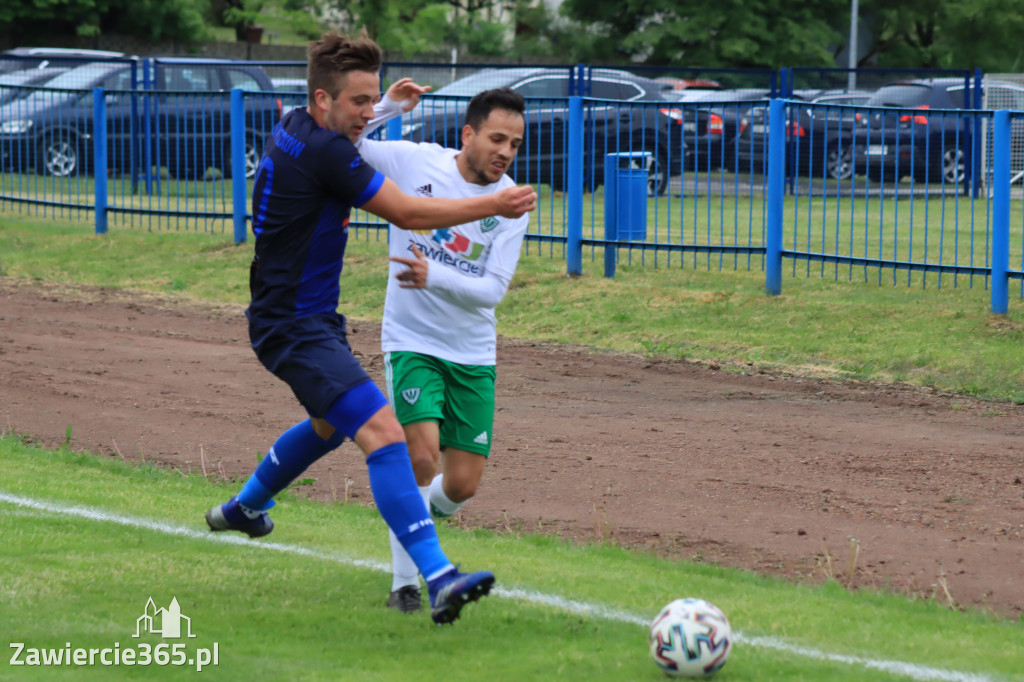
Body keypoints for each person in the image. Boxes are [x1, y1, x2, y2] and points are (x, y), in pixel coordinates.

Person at [203, 31, 537, 627]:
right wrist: (493, 205)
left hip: (308, 320)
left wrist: (385, 110)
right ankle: (436, 578)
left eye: (372, 98)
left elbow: (348, 129)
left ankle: (245, 508)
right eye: (359, 102)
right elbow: (408, 212)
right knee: (385, 434)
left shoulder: (297, 127)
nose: (368, 111)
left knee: (330, 425)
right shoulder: (331, 154)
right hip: (292, 326)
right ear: (323, 100)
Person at [352, 87, 528, 613]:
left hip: (472, 354)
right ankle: (405, 585)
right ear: (468, 134)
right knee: (420, 455)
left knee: (461, 487)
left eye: (515, 144)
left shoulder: (510, 204)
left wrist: (436, 275)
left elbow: (492, 291)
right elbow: (349, 145)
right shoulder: (416, 162)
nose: (505, 152)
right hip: (411, 343)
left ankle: (409, 513)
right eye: (497, 138)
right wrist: (387, 105)